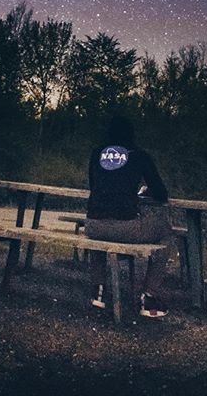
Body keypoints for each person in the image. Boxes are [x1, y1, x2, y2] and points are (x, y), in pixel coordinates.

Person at [85, 114, 174, 319]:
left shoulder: (96, 153)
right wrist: (143, 191)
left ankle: (98, 292)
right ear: (132, 134)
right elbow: (161, 194)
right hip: (125, 226)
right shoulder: (139, 155)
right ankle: (149, 296)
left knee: (100, 236)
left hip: (93, 225)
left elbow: (94, 185)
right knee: (166, 231)